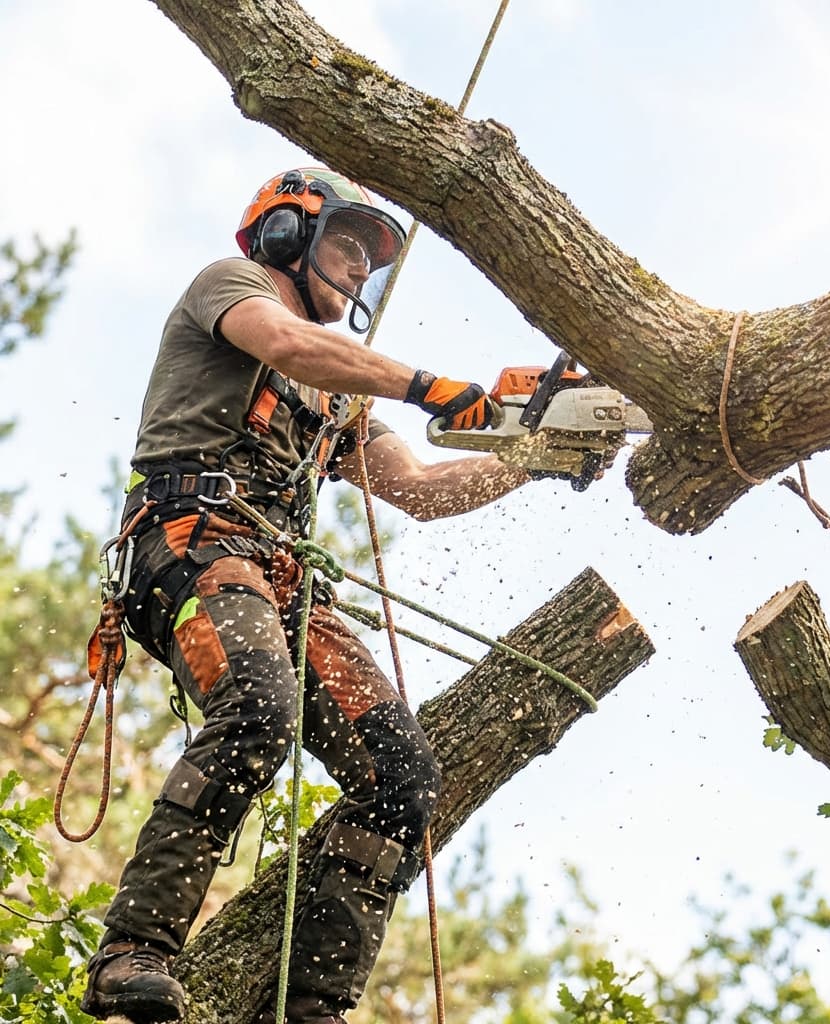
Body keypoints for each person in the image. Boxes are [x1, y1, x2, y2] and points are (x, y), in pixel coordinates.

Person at [80, 166, 532, 1024]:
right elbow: (285, 344)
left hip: (280, 582)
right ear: (288, 233)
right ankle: (131, 952)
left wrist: (529, 458)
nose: (361, 270)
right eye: (348, 245)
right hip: (190, 544)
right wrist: (428, 384)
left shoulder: (337, 390)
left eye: (372, 258)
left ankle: (313, 1004)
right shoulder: (234, 286)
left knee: (403, 777)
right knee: (258, 703)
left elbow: (422, 488)